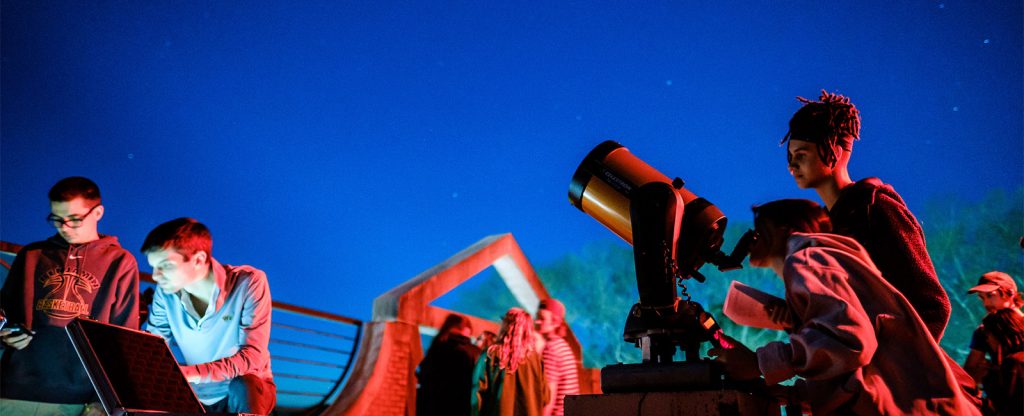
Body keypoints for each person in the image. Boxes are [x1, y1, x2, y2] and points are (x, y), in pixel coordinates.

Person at [710, 199, 978, 415]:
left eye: (760, 229)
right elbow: (863, 367)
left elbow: (851, 341)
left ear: (784, 231)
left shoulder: (806, 258)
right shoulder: (825, 263)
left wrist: (760, 362)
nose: (751, 238)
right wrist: (798, 395)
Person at [780, 90, 951, 341]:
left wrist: (897, 366)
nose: (792, 165)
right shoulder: (827, 226)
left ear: (835, 151)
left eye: (802, 154)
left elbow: (933, 305)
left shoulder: (878, 209)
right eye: (791, 156)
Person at [0, 176, 139, 415]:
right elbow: (5, 313)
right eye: (56, 219)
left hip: (78, 399)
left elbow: (125, 341)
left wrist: (104, 401)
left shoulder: (121, 263)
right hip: (15, 390)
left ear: (98, 212)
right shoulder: (32, 254)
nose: (64, 227)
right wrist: (4, 333)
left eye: (74, 219)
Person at [141, 218, 275, 414]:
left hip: (245, 389)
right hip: (197, 391)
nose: (155, 276)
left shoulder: (249, 282)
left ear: (198, 259)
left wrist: (190, 373)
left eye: (165, 266)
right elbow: (154, 345)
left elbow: (253, 357)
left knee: (243, 385)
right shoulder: (164, 293)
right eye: (153, 267)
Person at [963, 271, 1024, 415]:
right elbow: (970, 371)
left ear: (1009, 293)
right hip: (1004, 402)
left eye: (990, 296)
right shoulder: (984, 331)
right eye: (982, 298)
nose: (986, 303)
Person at [471, 307, 549, 416]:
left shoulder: (490, 354)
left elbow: (476, 393)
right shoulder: (536, 359)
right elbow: (545, 397)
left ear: (506, 326)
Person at [417, 313, 482, 416]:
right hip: (461, 407)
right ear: (468, 330)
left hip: (433, 405)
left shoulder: (438, 348)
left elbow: (424, 374)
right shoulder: (477, 353)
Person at [534, 299, 579, 416]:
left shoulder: (551, 349)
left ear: (556, 323)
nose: (537, 321)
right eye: (537, 316)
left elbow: (548, 398)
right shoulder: (562, 345)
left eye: (542, 318)